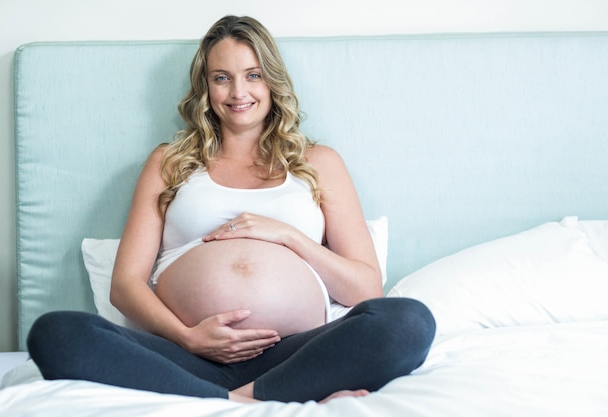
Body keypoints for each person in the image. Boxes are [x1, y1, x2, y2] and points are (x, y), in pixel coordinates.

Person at [27, 15, 436, 403]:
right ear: (205, 88)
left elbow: (367, 288)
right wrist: (188, 337)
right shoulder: (168, 162)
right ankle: (259, 396)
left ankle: (231, 398)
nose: (239, 93)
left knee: (408, 321)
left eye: (252, 75)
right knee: (57, 333)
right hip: (184, 355)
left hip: (296, 352)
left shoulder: (319, 161)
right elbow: (125, 285)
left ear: (272, 81)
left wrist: (287, 236)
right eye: (222, 78)